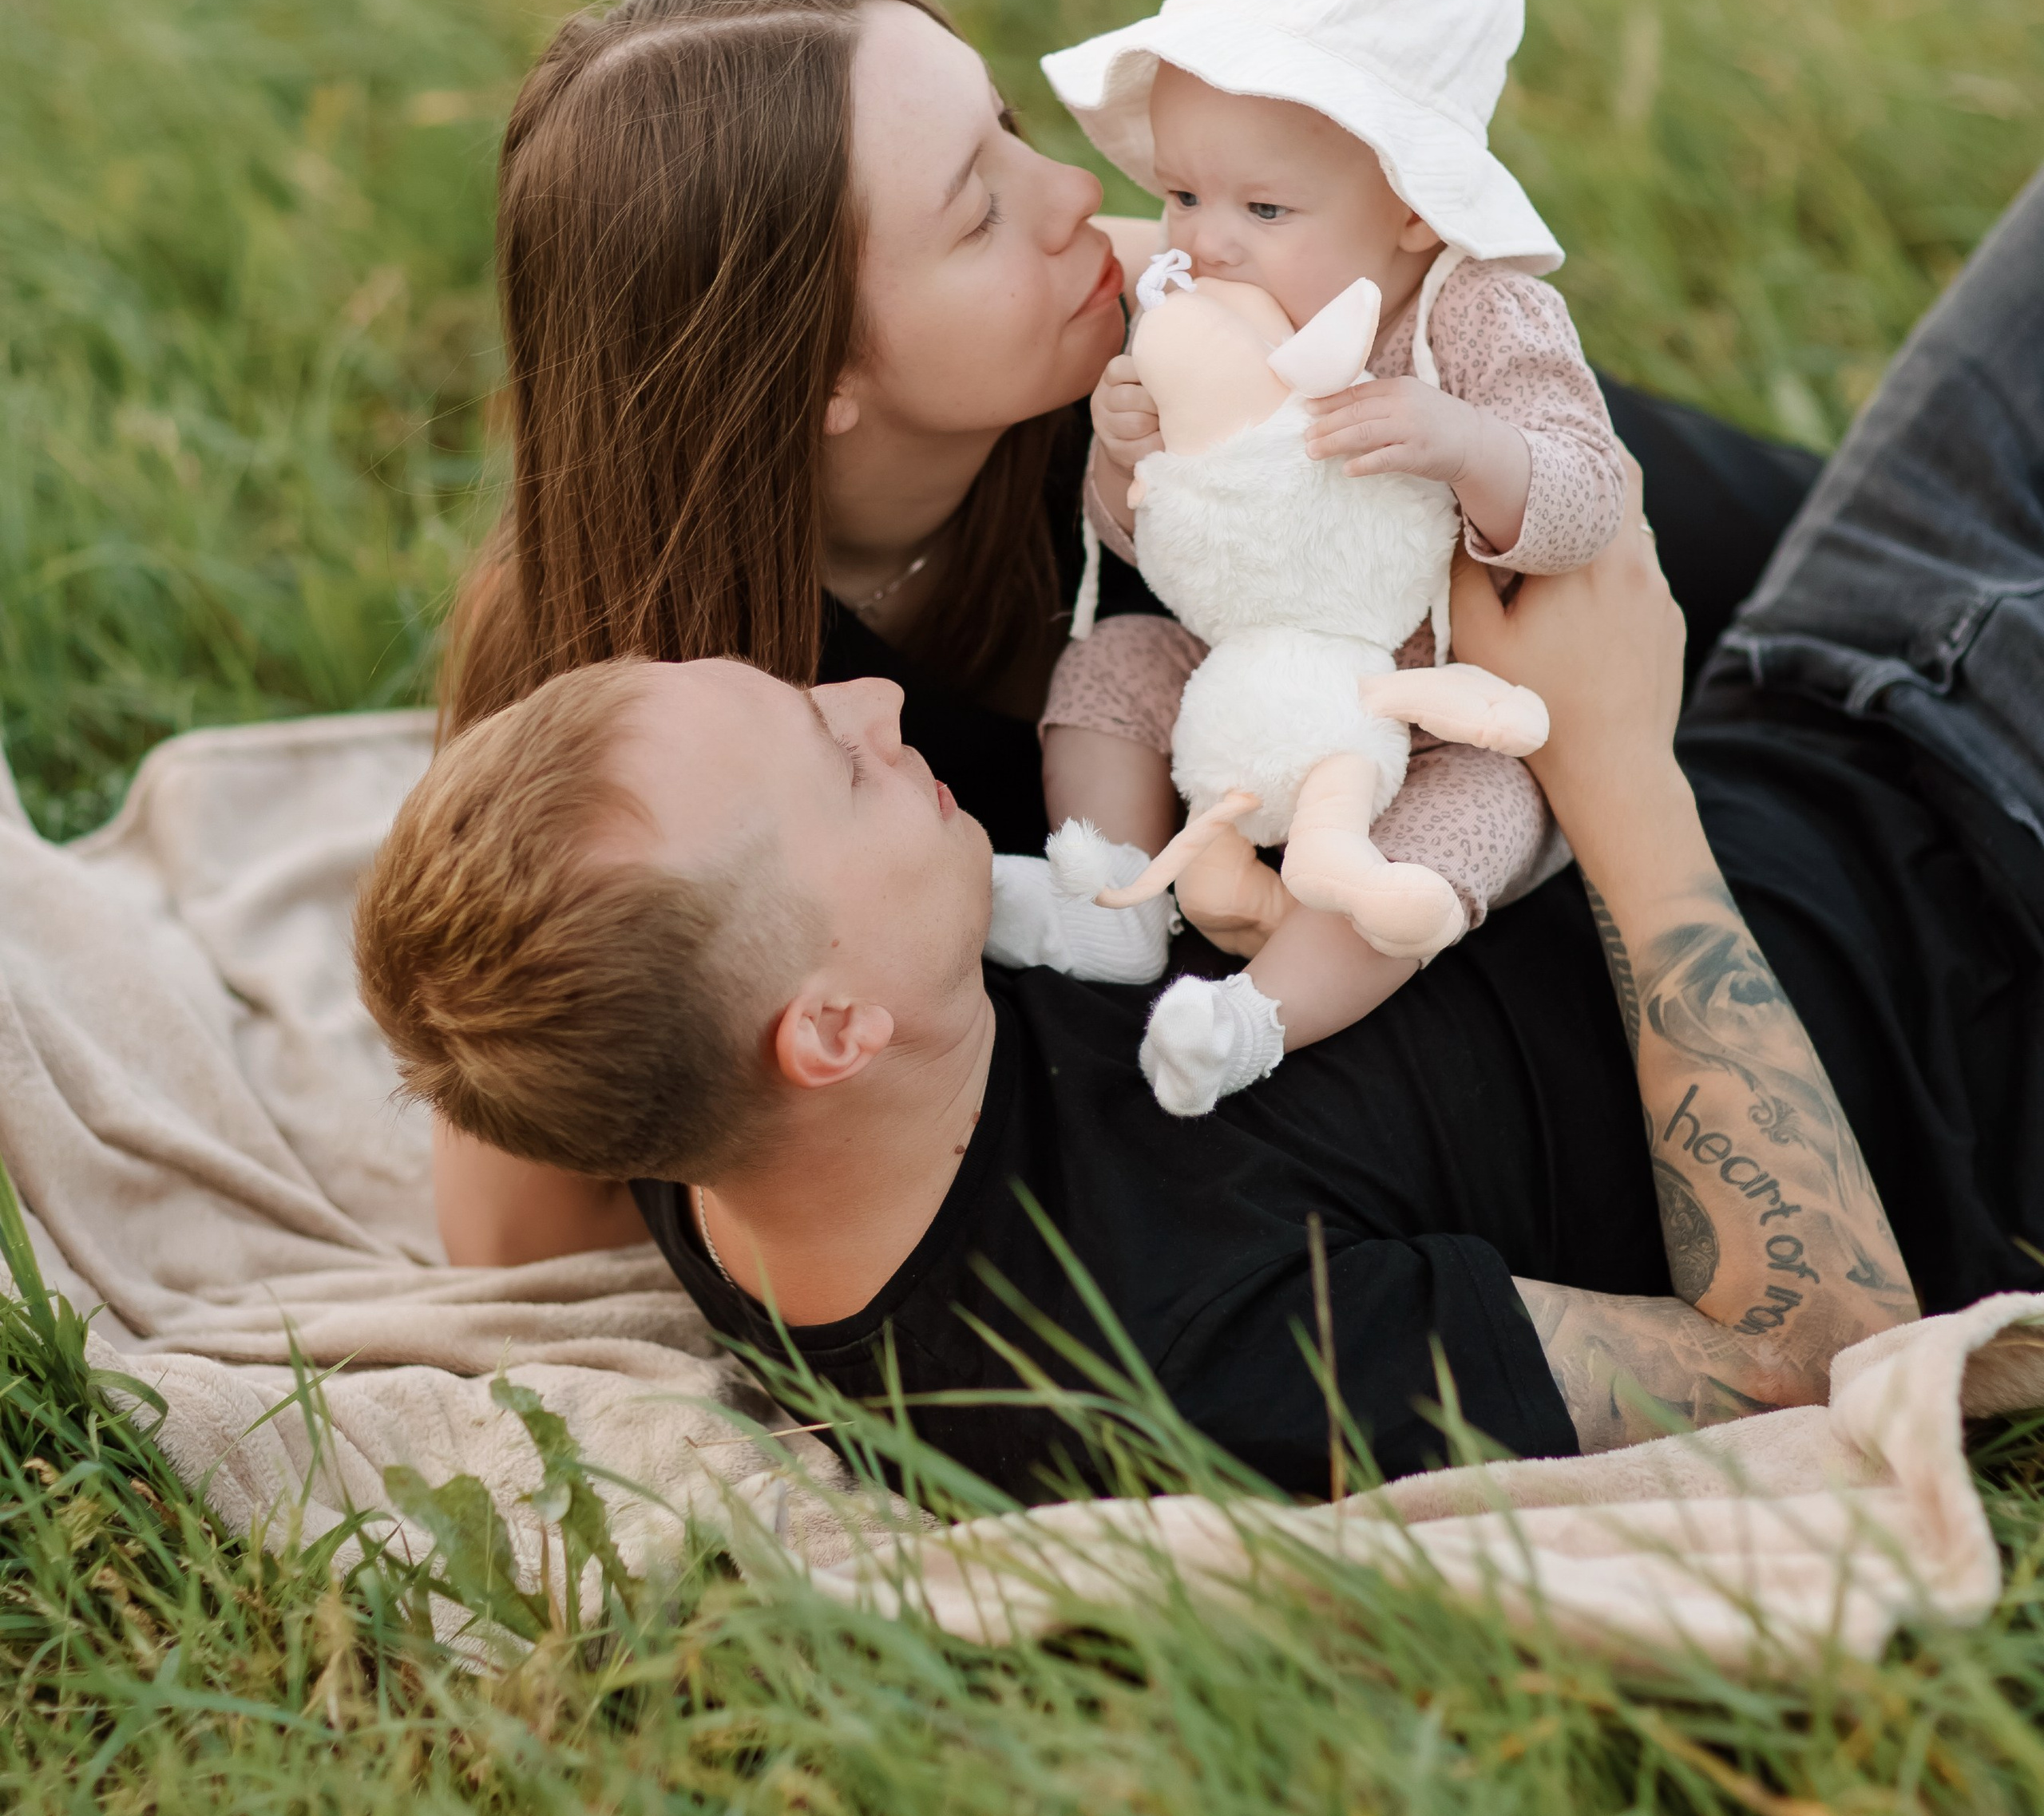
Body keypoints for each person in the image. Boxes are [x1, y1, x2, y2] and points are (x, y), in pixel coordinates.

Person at [430, 0, 1813, 1255]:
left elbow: (1564, 525)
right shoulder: (637, 710)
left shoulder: (1165, 328)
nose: (1074, 198)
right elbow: (517, 1238)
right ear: (804, 377)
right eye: (977, 207)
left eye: (1012, 125)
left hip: (1692, 601)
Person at [355, 458, 1918, 1500]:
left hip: (1812, 693)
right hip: (1969, 882)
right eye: (837, 767)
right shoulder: (1164, 1348)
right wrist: (1620, 784)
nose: (878, 703)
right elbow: (1803, 1355)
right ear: (827, 1030)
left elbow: (513, 1005)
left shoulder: (719, 1107)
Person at [1037, 0, 1626, 1114]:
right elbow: (1170, 547)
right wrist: (1121, 459)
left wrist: (1469, 446)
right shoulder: (1194, 303)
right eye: (1182, 194)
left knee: (1484, 816)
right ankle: (1107, 895)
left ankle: (1257, 1018)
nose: (1206, 242)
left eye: (1262, 210)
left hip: (1428, 711)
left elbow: (1591, 493)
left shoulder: (1474, 319)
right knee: (1113, 662)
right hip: (1238, 666)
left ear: (1414, 208)